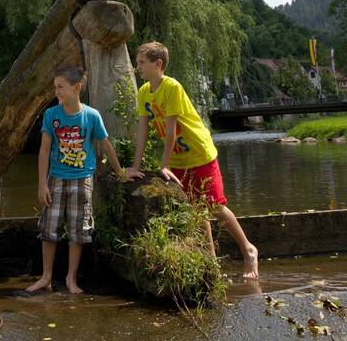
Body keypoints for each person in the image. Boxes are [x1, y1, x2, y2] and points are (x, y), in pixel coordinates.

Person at [126, 41, 259, 279]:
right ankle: (211, 262)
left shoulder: (172, 87)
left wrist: (163, 165)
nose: (138, 68)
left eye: (142, 63)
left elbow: (170, 132)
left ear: (158, 64)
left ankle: (248, 249)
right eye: (137, 63)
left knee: (214, 206)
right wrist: (136, 167)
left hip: (199, 153)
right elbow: (143, 131)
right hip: (178, 159)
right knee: (193, 211)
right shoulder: (144, 92)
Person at [26, 65, 130, 294]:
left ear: (76, 88)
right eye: (55, 88)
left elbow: (105, 144)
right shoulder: (51, 115)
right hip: (55, 178)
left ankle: (71, 279)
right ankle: (46, 277)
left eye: (60, 87)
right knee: (49, 229)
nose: (57, 92)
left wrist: (120, 171)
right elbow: (44, 150)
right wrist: (42, 184)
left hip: (82, 180)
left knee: (78, 230)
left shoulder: (91, 116)